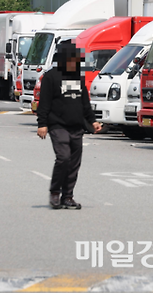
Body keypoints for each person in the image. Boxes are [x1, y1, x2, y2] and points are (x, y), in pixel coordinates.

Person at [36, 44, 101, 210]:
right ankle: (55, 193)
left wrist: (92, 121)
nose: (75, 63)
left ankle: (68, 196)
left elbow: (84, 102)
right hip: (57, 124)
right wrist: (42, 124)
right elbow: (44, 103)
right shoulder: (51, 77)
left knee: (74, 163)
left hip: (76, 126)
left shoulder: (78, 78)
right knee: (63, 157)